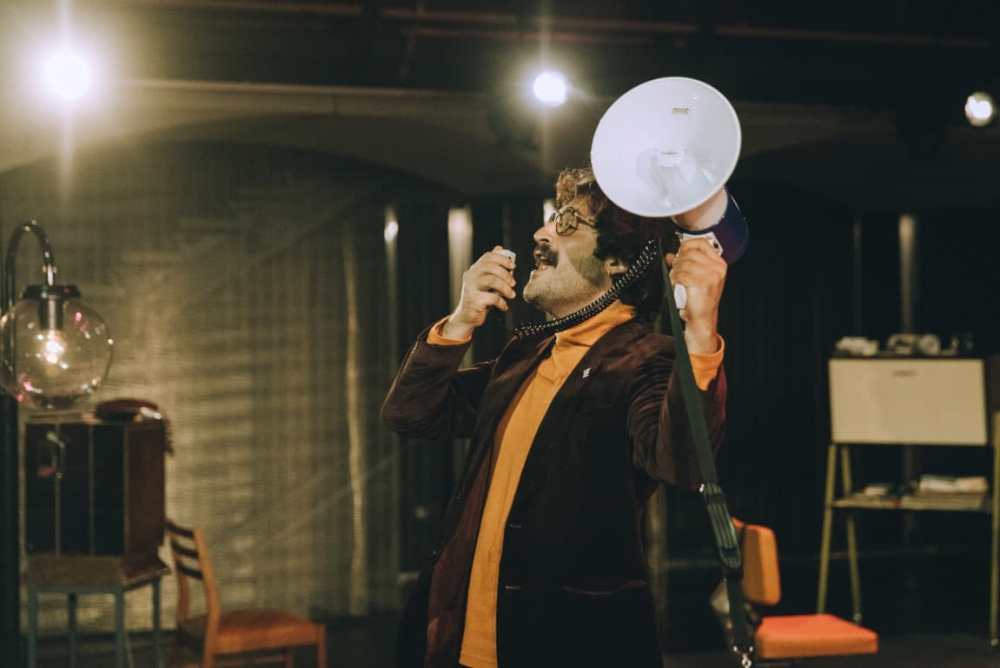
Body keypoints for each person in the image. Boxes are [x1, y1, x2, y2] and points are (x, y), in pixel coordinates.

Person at [381, 165, 736, 668]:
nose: (540, 234)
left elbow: (681, 464)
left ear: (618, 262)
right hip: (469, 650)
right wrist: (459, 322)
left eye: (566, 222)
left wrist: (699, 334)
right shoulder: (525, 355)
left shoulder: (647, 360)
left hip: (568, 646)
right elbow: (411, 413)